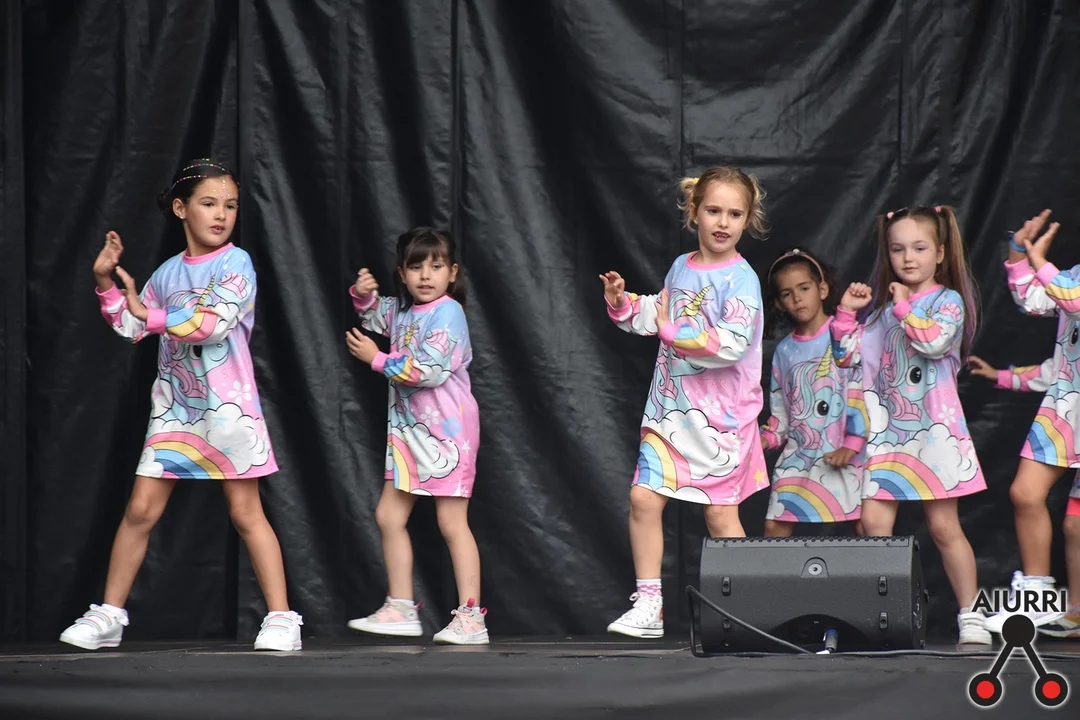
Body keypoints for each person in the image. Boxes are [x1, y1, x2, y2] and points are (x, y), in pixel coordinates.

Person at [60, 159, 302, 652]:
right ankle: (109, 616)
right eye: (209, 203)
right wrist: (105, 283)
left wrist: (149, 314)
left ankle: (282, 619)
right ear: (180, 208)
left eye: (230, 205)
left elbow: (211, 324)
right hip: (175, 413)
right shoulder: (168, 273)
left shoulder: (236, 264)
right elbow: (132, 325)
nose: (221, 214)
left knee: (246, 513)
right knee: (140, 510)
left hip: (230, 412)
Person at [600, 166, 770, 638]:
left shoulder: (742, 280)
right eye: (713, 210)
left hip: (720, 421)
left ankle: (750, 614)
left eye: (734, 214)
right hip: (670, 412)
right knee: (642, 497)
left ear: (747, 219)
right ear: (694, 211)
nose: (723, 222)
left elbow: (731, 344)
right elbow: (660, 313)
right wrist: (624, 304)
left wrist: (671, 330)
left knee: (720, 514)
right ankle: (649, 605)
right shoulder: (681, 266)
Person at [831, 205, 990, 646]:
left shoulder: (948, 302)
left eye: (919, 248)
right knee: (872, 523)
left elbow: (934, 342)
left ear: (939, 252)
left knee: (944, 528)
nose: (908, 258)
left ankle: (971, 614)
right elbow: (847, 357)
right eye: (898, 249)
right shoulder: (883, 313)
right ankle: (883, 616)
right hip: (889, 439)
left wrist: (902, 306)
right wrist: (845, 314)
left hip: (934, 435)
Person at [345, 227, 487, 645]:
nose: (426, 275)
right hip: (408, 436)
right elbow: (375, 314)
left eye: (436, 266)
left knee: (451, 522)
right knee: (389, 517)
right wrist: (362, 295)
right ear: (402, 273)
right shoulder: (402, 311)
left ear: (452, 273)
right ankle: (401, 608)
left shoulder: (449, 313)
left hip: (449, 436)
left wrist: (376, 359)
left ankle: (471, 618)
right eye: (416, 266)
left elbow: (430, 370)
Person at [982, 208, 1080, 635]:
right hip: (1065, 410)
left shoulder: (1069, 282)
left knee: (1076, 524)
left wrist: (1040, 262)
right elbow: (1035, 299)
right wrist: (1019, 251)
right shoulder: (1072, 276)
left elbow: (1072, 299)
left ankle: (1075, 611)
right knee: (1025, 493)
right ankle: (1040, 602)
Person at [759, 248, 865, 537]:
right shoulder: (783, 351)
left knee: (865, 528)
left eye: (804, 288)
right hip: (800, 458)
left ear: (822, 289)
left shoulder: (847, 335)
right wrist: (765, 439)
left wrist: (853, 443)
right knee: (774, 527)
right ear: (779, 303)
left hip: (847, 454)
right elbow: (781, 413)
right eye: (787, 293)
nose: (797, 298)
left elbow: (863, 392)